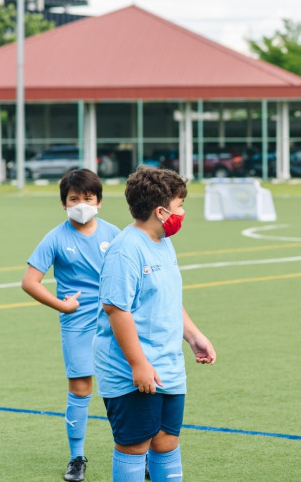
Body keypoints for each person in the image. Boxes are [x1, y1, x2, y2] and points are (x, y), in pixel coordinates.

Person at [92, 166, 216, 481]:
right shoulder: (126, 249)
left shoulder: (162, 241)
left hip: (168, 365)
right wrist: (139, 365)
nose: (183, 213)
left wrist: (193, 336)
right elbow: (116, 310)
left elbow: (167, 299)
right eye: (179, 205)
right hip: (132, 368)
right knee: (134, 445)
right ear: (161, 211)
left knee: (166, 442)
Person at [21, 169, 120, 481]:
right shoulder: (56, 237)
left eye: (87, 198)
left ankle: (135, 451)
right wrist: (63, 305)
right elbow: (29, 282)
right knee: (80, 387)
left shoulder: (114, 234)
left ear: (99, 202)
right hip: (76, 323)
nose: (81, 204)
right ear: (63, 204)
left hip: (114, 320)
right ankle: (77, 457)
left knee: (122, 386)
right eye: (74, 199)